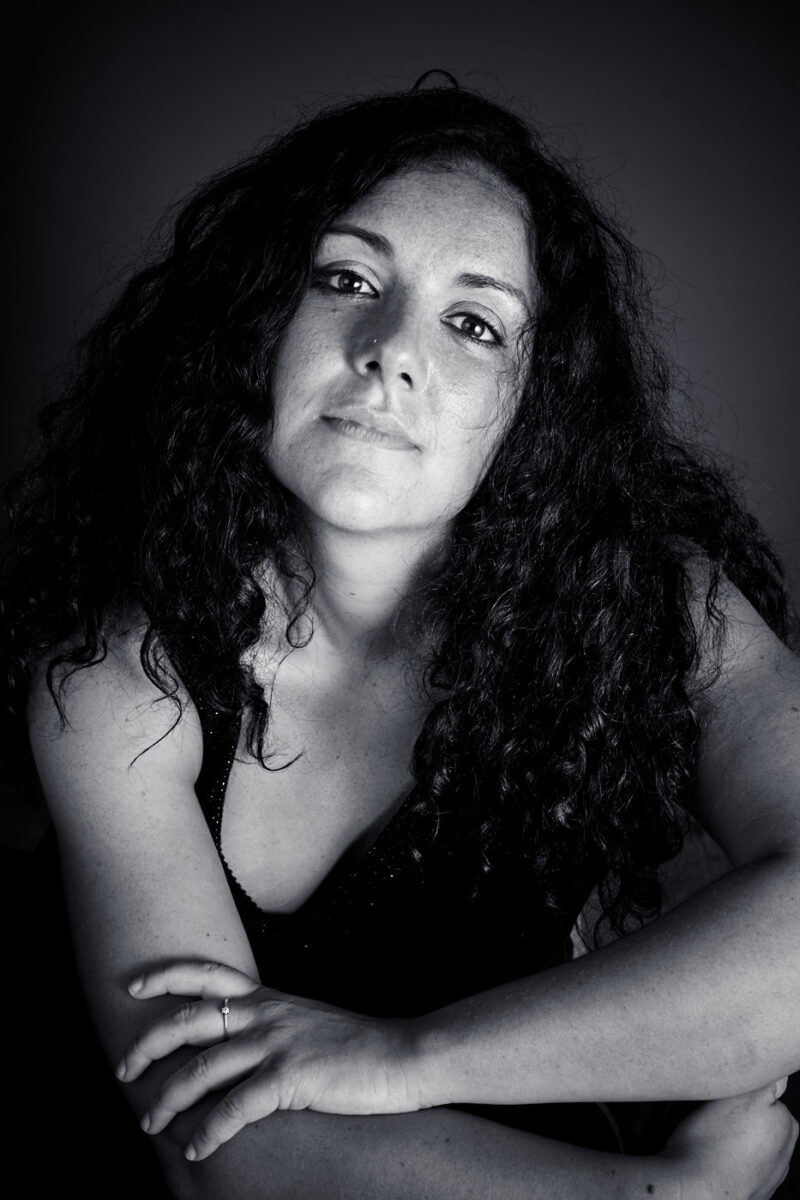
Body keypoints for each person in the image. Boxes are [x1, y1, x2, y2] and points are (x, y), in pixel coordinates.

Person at [3, 76, 800, 1198]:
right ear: (251, 327)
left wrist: (402, 1058)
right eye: (346, 279)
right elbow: (225, 1153)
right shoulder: (116, 684)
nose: (390, 351)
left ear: (533, 405)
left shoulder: (646, 606)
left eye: (473, 324)